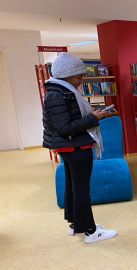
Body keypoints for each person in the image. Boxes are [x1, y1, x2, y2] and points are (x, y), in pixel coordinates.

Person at [42, 52, 118, 243]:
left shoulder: (60, 91)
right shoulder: (60, 94)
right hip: (75, 147)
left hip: (70, 147)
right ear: (66, 74)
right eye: (79, 77)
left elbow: (67, 121)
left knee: (73, 187)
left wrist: (90, 115)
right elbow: (64, 127)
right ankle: (91, 232)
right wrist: (94, 118)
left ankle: (76, 224)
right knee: (82, 189)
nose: (80, 81)